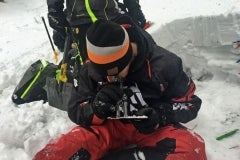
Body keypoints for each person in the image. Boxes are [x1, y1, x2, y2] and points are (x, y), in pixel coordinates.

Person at [34, 20, 207, 160]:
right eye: (101, 73)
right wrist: (96, 108)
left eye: (114, 73)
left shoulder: (165, 64)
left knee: (192, 150)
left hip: (153, 129)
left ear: (129, 58)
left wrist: (160, 114)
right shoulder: (89, 70)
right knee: (64, 148)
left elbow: (190, 103)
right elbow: (75, 108)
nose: (109, 80)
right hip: (109, 127)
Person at [47, 0, 147, 61]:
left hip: (111, 15)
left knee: (140, 51)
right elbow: (55, 13)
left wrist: (135, 10)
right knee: (92, 70)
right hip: (81, 24)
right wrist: (54, 12)